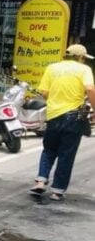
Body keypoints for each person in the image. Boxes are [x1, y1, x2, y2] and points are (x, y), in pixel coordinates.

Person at [29, 44, 95, 201]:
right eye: (84, 58)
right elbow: (90, 89)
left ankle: (40, 181)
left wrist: (55, 102)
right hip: (73, 117)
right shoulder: (83, 69)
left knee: (49, 149)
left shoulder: (52, 68)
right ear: (80, 57)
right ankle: (57, 191)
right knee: (66, 154)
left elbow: (44, 92)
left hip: (53, 116)